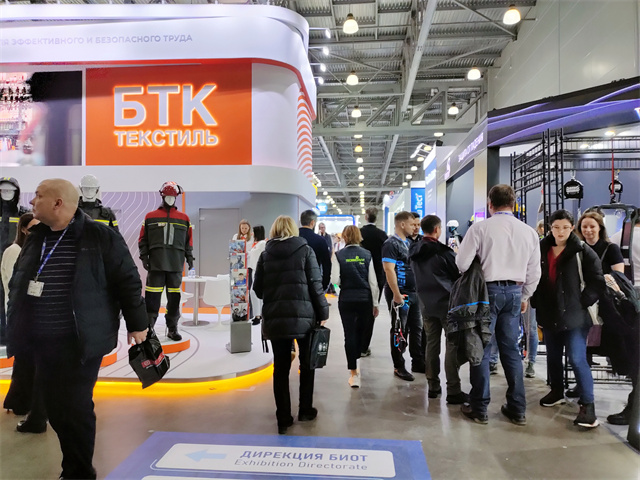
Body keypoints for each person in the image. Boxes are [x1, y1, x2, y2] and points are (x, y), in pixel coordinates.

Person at [7, 179, 148, 479]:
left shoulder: (100, 236)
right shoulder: (36, 237)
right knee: (54, 407)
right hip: (41, 342)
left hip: (80, 342)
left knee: (76, 406)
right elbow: (20, 280)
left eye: (39, 196)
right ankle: (73, 465)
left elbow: (127, 279)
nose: (32, 202)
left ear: (58, 203)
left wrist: (137, 324)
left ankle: (79, 471)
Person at [456, 184, 541, 426]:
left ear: (490, 204)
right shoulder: (529, 232)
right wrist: (524, 297)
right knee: (511, 351)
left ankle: (479, 407)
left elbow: (462, 264)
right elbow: (534, 271)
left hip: (486, 292)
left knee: (481, 348)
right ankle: (517, 409)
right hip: (514, 293)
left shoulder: (480, 228)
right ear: (513, 204)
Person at [253, 215, 329, 435]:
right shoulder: (305, 251)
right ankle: (305, 410)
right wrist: (323, 312)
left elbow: (258, 289)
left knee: (280, 368)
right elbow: (315, 285)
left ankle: (283, 418)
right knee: (307, 364)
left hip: (276, 319)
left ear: (274, 230)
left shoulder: (266, 254)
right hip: (304, 318)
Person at [531, 209, 604, 429]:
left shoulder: (582, 250)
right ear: (550, 228)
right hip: (550, 312)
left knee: (576, 357)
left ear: (572, 228)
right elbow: (534, 276)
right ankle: (556, 391)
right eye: (556, 227)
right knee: (553, 356)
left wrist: (583, 301)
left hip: (576, 316)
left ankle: (588, 406)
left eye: (565, 227)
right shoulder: (541, 248)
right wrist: (536, 302)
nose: (560, 232)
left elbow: (597, 281)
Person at [409, 215, 468, 404]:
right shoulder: (444, 253)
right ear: (437, 229)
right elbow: (457, 275)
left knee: (431, 345)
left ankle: (433, 386)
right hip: (447, 304)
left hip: (426, 304)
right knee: (452, 345)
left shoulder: (414, 252)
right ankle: (453, 389)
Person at [2, 212, 48, 432]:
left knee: (29, 362)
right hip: (22, 314)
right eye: (33, 227)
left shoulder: (35, 250)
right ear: (23, 229)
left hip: (32, 315)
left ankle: (22, 402)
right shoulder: (15, 251)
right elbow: (15, 284)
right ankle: (19, 402)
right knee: (24, 361)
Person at [138, 181, 194, 341]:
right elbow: (143, 239)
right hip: (155, 266)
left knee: (174, 300)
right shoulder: (150, 217)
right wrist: (144, 257)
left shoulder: (184, 218)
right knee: (152, 299)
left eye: (173, 196)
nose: (170, 199)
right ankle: (149, 329)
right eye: (167, 196)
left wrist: (190, 258)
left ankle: (172, 328)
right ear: (162, 196)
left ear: (176, 197)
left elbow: (188, 241)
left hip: (176, 266)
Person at [331, 226, 379, 388]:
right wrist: (375, 304)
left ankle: (353, 373)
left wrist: (342, 286)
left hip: (346, 299)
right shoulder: (367, 254)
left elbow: (334, 280)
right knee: (360, 333)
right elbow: (373, 282)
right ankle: (358, 358)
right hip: (365, 299)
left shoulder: (338, 255)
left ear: (344, 237)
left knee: (349, 335)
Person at [382, 211, 424, 381]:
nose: (414, 227)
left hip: (414, 292)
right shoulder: (391, 244)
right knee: (399, 329)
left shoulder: (409, 243)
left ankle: (418, 361)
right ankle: (399, 365)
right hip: (400, 293)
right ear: (402, 224)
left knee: (417, 328)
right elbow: (388, 269)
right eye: (411, 224)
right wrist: (396, 294)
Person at [360, 207, 388, 357]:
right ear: (376, 218)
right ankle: (364, 346)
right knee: (372, 310)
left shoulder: (359, 233)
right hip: (378, 275)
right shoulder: (382, 235)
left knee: (359, 310)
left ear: (366, 217)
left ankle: (356, 343)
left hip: (360, 275)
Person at [298, 209, 331, 291]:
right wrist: (324, 284)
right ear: (313, 222)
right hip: (314, 281)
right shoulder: (320, 240)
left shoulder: (293, 238)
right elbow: (326, 264)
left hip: (296, 281)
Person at [248, 225, 267, 325]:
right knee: (255, 293)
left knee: (254, 292)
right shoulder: (256, 244)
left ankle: (258, 315)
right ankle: (258, 315)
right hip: (254, 269)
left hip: (259, 270)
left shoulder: (263, 243)